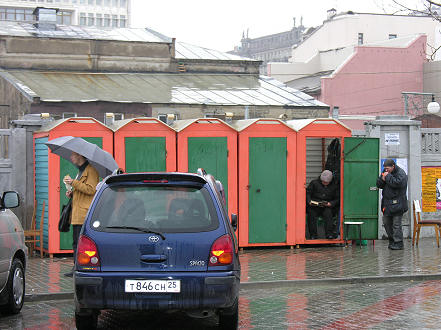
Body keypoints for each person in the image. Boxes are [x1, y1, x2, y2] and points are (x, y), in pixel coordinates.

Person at [63, 152, 99, 276]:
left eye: (73, 155)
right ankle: (75, 267)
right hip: (77, 213)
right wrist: (72, 193)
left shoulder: (91, 171)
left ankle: (80, 268)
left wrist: (73, 182)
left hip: (84, 213)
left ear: (80, 156)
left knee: (81, 243)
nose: (71, 157)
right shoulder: (80, 171)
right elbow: (81, 190)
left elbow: (91, 189)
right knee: (75, 242)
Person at [376, 158, 408, 250]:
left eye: (388, 168)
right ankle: (392, 240)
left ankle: (398, 243)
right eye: (385, 168)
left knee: (396, 224)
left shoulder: (401, 173)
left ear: (393, 166)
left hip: (398, 204)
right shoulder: (385, 172)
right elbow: (379, 184)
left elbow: (397, 184)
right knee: (386, 222)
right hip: (387, 204)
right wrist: (382, 179)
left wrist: (387, 177)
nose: (386, 170)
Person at [306, 170, 340, 239]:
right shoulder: (314, 183)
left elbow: (338, 198)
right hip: (315, 205)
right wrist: (309, 201)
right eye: (323, 182)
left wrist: (331, 203)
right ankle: (313, 235)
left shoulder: (334, 186)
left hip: (327, 206)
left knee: (328, 214)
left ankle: (329, 234)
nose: (324, 183)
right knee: (311, 214)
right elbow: (308, 193)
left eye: (326, 182)